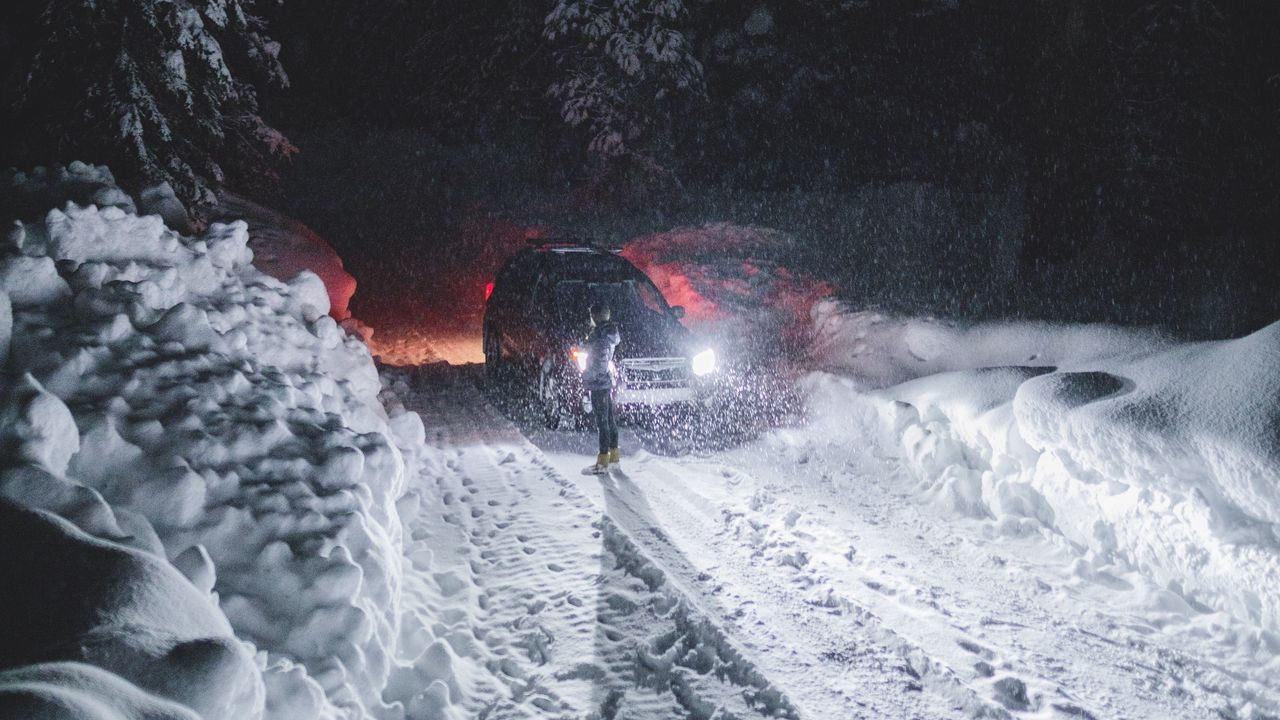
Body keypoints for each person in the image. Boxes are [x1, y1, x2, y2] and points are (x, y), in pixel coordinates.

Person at [582, 303, 620, 474]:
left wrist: (587, 376)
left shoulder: (599, 337)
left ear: (595, 317)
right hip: (605, 381)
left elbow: (598, 362)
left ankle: (603, 461)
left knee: (602, 422)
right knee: (610, 420)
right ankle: (614, 458)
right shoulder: (609, 333)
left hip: (599, 383)